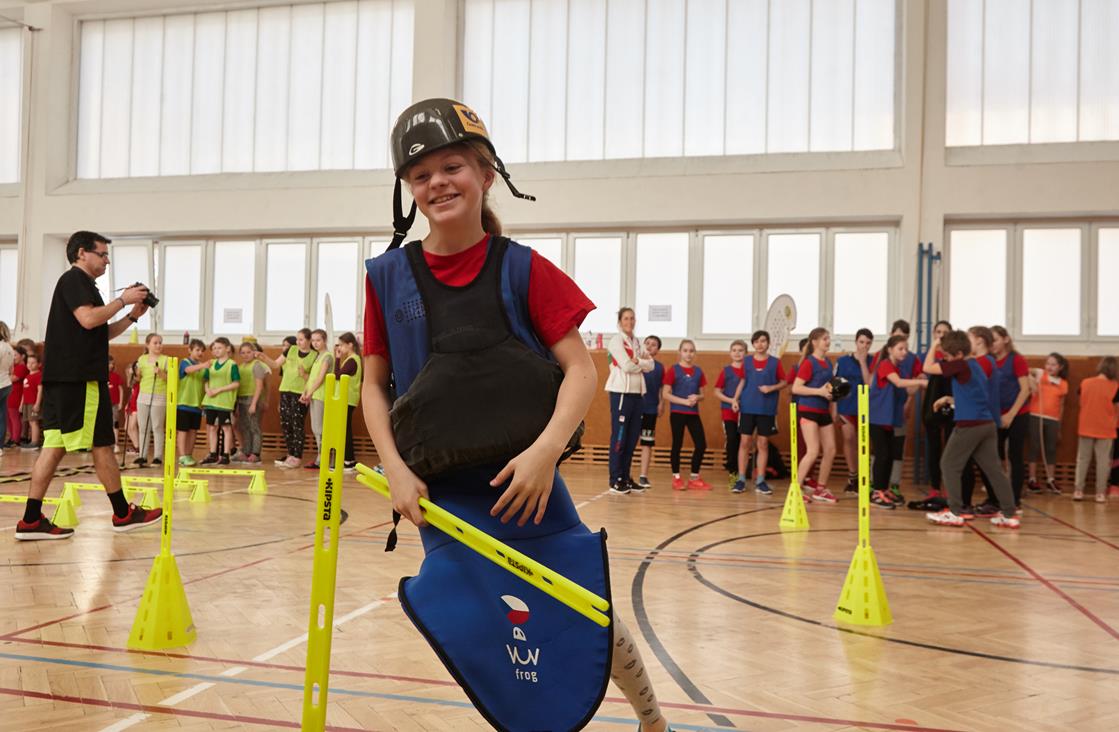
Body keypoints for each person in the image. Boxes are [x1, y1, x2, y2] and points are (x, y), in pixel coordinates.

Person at [362, 98, 673, 732]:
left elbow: (581, 370)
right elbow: (372, 384)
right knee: (486, 625)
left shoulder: (524, 268)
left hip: (528, 487)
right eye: (421, 175)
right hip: (441, 496)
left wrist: (543, 454)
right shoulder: (387, 278)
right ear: (408, 191)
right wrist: (394, 469)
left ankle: (653, 719)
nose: (437, 183)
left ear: (486, 174)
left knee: (584, 612)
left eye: (452, 167)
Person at [15, 231, 161, 540]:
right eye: (102, 254)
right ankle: (123, 513)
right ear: (82, 253)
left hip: (63, 380)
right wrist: (122, 299)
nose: (107, 261)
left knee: (53, 447)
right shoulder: (75, 280)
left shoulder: (83, 286)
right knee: (101, 443)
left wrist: (132, 316)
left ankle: (30, 520)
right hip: (79, 380)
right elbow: (89, 319)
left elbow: (99, 332)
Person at [923, 330, 1019, 528]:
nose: (946, 360)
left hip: (970, 425)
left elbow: (927, 368)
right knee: (994, 470)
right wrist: (949, 399)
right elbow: (973, 395)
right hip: (986, 424)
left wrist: (934, 346)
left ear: (958, 354)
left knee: (949, 464)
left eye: (947, 356)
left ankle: (955, 511)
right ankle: (1010, 514)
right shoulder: (975, 365)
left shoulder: (961, 364)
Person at [868, 335, 928, 509]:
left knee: (889, 456)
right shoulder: (885, 365)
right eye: (900, 348)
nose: (904, 352)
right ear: (890, 350)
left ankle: (884, 489)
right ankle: (876, 492)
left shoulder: (899, 368)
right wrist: (920, 381)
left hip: (889, 420)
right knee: (882, 455)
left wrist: (920, 383)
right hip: (876, 418)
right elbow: (899, 382)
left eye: (906, 349)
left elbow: (908, 390)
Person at [731, 329, 788, 495]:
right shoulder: (747, 361)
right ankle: (741, 480)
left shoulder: (775, 363)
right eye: (756, 341)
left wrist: (772, 387)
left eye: (763, 341)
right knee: (744, 443)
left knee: (762, 444)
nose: (760, 344)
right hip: (747, 407)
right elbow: (743, 381)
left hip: (766, 409)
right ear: (753, 344)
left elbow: (784, 382)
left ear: (768, 343)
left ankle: (761, 481)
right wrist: (735, 399)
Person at [605, 307, 653, 494]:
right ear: (620, 321)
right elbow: (626, 366)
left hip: (637, 395)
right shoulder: (616, 341)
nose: (629, 322)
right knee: (620, 438)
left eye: (632, 318)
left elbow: (651, 365)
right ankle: (615, 479)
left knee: (632, 438)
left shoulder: (637, 342)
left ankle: (626, 477)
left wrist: (638, 361)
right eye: (626, 318)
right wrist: (640, 363)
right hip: (621, 394)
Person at [258, 329, 316, 468]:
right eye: (297, 339)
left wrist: (304, 376)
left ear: (309, 340)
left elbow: (314, 378)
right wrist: (264, 357)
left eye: (301, 339)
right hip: (285, 390)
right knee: (286, 424)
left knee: (297, 425)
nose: (298, 342)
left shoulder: (314, 355)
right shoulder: (291, 350)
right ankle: (290, 454)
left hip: (300, 393)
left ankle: (297, 456)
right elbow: (275, 364)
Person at [792, 328, 838, 503]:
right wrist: (819, 392)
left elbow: (828, 388)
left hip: (823, 411)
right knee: (812, 451)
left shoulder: (828, 362)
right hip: (808, 410)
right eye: (825, 339)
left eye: (828, 338)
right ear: (815, 342)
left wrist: (833, 398)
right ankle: (796, 490)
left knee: (831, 450)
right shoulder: (808, 363)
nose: (828, 341)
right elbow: (796, 388)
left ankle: (820, 489)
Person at [990, 325, 1031, 509]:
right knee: (994, 456)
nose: (992, 344)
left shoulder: (1016, 359)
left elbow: (1025, 390)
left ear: (1005, 339)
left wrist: (1011, 415)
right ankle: (996, 497)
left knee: (1015, 455)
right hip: (996, 415)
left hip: (1017, 414)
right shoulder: (990, 361)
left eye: (995, 340)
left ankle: (1014, 499)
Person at [662, 339, 711, 491]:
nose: (688, 354)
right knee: (677, 444)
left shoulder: (698, 372)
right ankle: (676, 478)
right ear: (680, 352)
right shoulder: (673, 370)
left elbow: (702, 395)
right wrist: (683, 401)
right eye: (685, 350)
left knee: (701, 444)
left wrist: (697, 397)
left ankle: (694, 478)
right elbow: (665, 394)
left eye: (691, 351)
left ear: (694, 353)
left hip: (693, 413)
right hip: (677, 412)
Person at [916, 320, 953, 509]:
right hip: (933, 403)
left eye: (945, 332)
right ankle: (935, 487)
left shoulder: (954, 357)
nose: (941, 335)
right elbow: (922, 371)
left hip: (951, 403)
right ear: (933, 333)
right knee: (934, 448)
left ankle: (949, 487)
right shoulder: (928, 355)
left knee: (951, 448)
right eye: (938, 332)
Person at [1073, 356, 1119, 503]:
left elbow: (1081, 402)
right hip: (1106, 428)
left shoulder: (1085, 383)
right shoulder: (1115, 386)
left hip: (1086, 425)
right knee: (1103, 461)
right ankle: (1100, 493)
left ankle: (1078, 491)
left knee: (1082, 459)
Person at [834, 328, 873, 494]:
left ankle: (866, 476)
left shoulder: (873, 361)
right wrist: (834, 408)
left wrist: (863, 362)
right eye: (861, 342)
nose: (864, 345)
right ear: (856, 342)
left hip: (867, 408)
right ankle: (853, 476)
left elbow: (869, 384)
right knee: (849, 438)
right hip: (846, 407)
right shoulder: (842, 361)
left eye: (868, 343)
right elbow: (835, 385)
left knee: (865, 442)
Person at [1027, 352, 1069, 494]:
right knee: (1034, 447)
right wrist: (1031, 380)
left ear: (1060, 367)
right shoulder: (1040, 374)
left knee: (1050, 449)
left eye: (1053, 364)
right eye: (1048, 364)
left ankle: (1050, 480)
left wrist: (1059, 426)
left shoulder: (1063, 384)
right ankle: (1032, 479)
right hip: (1035, 416)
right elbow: (1025, 370)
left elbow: (1061, 405)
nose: (1049, 367)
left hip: (1053, 420)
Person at [199, 337, 240, 465]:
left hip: (224, 402)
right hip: (211, 401)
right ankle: (213, 454)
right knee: (212, 428)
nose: (216, 350)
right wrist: (207, 390)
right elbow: (206, 379)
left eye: (219, 348)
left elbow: (236, 383)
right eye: (214, 348)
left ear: (227, 348)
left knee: (226, 428)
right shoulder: (211, 363)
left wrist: (219, 390)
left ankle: (226, 455)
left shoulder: (232, 364)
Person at [713, 339, 748, 490]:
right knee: (732, 439)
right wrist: (732, 400)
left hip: (746, 410)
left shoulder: (748, 370)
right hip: (728, 411)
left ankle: (742, 473)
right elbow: (717, 392)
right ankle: (733, 472)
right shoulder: (726, 371)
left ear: (746, 353)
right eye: (734, 350)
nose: (737, 353)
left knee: (744, 442)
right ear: (730, 353)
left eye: (740, 350)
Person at [301, 329, 334, 471]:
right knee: (316, 428)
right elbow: (311, 378)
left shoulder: (327, 357)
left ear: (324, 340)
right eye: (313, 340)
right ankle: (321, 458)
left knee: (320, 428)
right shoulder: (318, 356)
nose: (315, 343)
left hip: (321, 395)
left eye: (318, 340)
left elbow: (320, 378)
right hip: (314, 395)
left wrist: (309, 393)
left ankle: (325, 459)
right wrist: (305, 392)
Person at [135, 332, 168, 466]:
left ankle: (157, 457)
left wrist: (161, 373)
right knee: (143, 427)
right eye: (155, 343)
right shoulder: (142, 359)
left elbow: (171, 379)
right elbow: (138, 378)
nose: (158, 345)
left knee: (157, 427)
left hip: (159, 396)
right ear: (148, 345)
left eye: (160, 343)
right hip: (143, 396)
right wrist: (135, 374)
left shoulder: (166, 360)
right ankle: (142, 456)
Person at [233, 341, 269, 465]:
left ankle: (256, 453)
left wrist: (254, 403)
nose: (246, 355)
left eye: (248, 352)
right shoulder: (240, 367)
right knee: (244, 427)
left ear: (254, 352)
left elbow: (259, 386)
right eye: (243, 353)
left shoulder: (257, 365)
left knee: (254, 427)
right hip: (242, 400)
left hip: (253, 399)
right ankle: (246, 451)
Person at [636, 335, 664, 489]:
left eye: (654, 345)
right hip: (635, 408)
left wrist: (661, 403)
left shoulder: (659, 367)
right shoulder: (636, 363)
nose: (650, 346)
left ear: (657, 350)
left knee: (647, 443)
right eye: (647, 343)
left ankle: (643, 476)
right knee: (629, 441)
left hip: (650, 409)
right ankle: (624, 474)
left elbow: (661, 388)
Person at [176, 339, 208, 467]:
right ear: (190, 350)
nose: (200, 353)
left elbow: (206, 382)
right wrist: (204, 365)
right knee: (182, 431)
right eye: (197, 350)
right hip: (183, 403)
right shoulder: (185, 362)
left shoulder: (203, 368)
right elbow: (188, 370)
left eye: (202, 351)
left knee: (193, 431)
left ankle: (189, 454)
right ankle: (182, 455)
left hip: (197, 405)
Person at [333, 332, 362, 472]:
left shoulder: (352, 360)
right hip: (347, 399)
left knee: (345, 430)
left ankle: (349, 460)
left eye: (342, 345)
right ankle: (348, 459)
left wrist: (337, 359)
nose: (340, 348)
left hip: (348, 399)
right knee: (344, 429)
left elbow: (337, 375)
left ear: (350, 345)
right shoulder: (351, 359)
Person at [5, 339, 26, 449]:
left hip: (16, 397)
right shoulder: (14, 366)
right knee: (9, 418)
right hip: (9, 396)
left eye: (15, 355)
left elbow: (13, 378)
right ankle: (11, 437)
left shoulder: (22, 367)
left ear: (23, 356)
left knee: (14, 418)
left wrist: (4, 375)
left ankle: (16, 439)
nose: (13, 358)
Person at [21, 353, 43, 450]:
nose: (30, 365)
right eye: (28, 362)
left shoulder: (39, 375)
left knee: (34, 422)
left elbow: (40, 390)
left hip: (33, 403)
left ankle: (35, 442)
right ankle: (32, 440)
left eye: (33, 363)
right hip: (27, 403)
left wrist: (37, 403)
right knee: (30, 422)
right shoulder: (27, 376)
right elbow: (24, 392)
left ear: (39, 364)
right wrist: (21, 404)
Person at [0, 321, 13, 455]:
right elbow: (11, 370)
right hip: (6, 383)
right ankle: (0, 447)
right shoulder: (9, 347)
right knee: (2, 416)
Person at [107, 354, 124, 449]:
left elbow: (120, 390)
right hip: (104, 405)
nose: (111, 366)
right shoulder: (102, 376)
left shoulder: (116, 376)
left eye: (112, 364)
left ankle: (116, 443)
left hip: (114, 404)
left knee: (115, 422)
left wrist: (120, 403)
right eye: (109, 364)